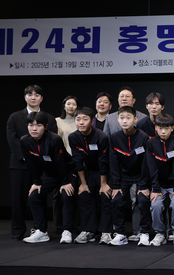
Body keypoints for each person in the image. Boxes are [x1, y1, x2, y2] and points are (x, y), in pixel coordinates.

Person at [7, 85, 58, 240]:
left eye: (37, 95)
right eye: (29, 94)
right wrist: (27, 157)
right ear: (25, 97)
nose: (33, 97)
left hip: (41, 165)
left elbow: (52, 139)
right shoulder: (15, 117)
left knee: (39, 196)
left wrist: (38, 159)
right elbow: (12, 139)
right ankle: (17, 230)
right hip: (20, 164)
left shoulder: (49, 118)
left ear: (41, 98)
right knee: (18, 199)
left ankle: (40, 229)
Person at [20, 112, 75, 243]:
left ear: (45, 127)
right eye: (31, 125)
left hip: (67, 172)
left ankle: (67, 231)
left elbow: (60, 162)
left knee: (66, 195)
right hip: (50, 174)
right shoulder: (25, 140)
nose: (34, 129)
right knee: (34, 195)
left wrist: (65, 182)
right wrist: (36, 182)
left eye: (38, 125)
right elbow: (31, 163)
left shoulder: (54, 139)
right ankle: (41, 231)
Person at [103, 86, 147, 241]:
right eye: (122, 118)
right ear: (118, 120)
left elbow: (146, 163)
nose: (125, 121)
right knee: (116, 200)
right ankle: (120, 233)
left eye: (128, 118)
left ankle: (143, 232)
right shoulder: (114, 138)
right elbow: (113, 162)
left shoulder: (143, 137)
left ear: (135, 119)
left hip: (140, 176)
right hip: (123, 177)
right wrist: (116, 184)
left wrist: (144, 184)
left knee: (142, 200)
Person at [68, 107, 112, 244]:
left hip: (105, 172)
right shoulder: (73, 137)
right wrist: (83, 183)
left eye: (85, 119)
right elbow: (77, 161)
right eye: (78, 119)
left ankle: (106, 232)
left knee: (105, 195)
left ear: (92, 122)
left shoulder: (101, 136)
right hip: (89, 172)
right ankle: (88, 230)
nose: (81, 122)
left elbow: (103, 161)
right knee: (84, 194)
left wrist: (103, 184)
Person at [146, 114, 174, 246]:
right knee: (156, 205)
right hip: (159, 184)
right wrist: (156, 189)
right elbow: (152, 167)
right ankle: (160, 233)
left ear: (172, 128)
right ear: (155, 128)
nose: (163, 131)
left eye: (166, 128)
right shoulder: (151, 143)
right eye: (160, 128)